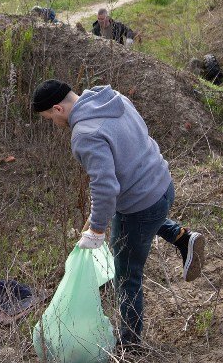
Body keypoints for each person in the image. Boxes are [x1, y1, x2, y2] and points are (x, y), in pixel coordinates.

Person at [32, 79, 205, 348]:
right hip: (163, 184)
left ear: (58, 109)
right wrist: (98, 215)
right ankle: (181, 237)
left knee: (126, 276)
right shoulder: (114, 99)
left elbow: (105, 186)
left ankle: (129, 345)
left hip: (140, 203)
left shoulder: (85, 134)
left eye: (48, 118)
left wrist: (97, 229)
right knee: (139, 219)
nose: (52, 125)